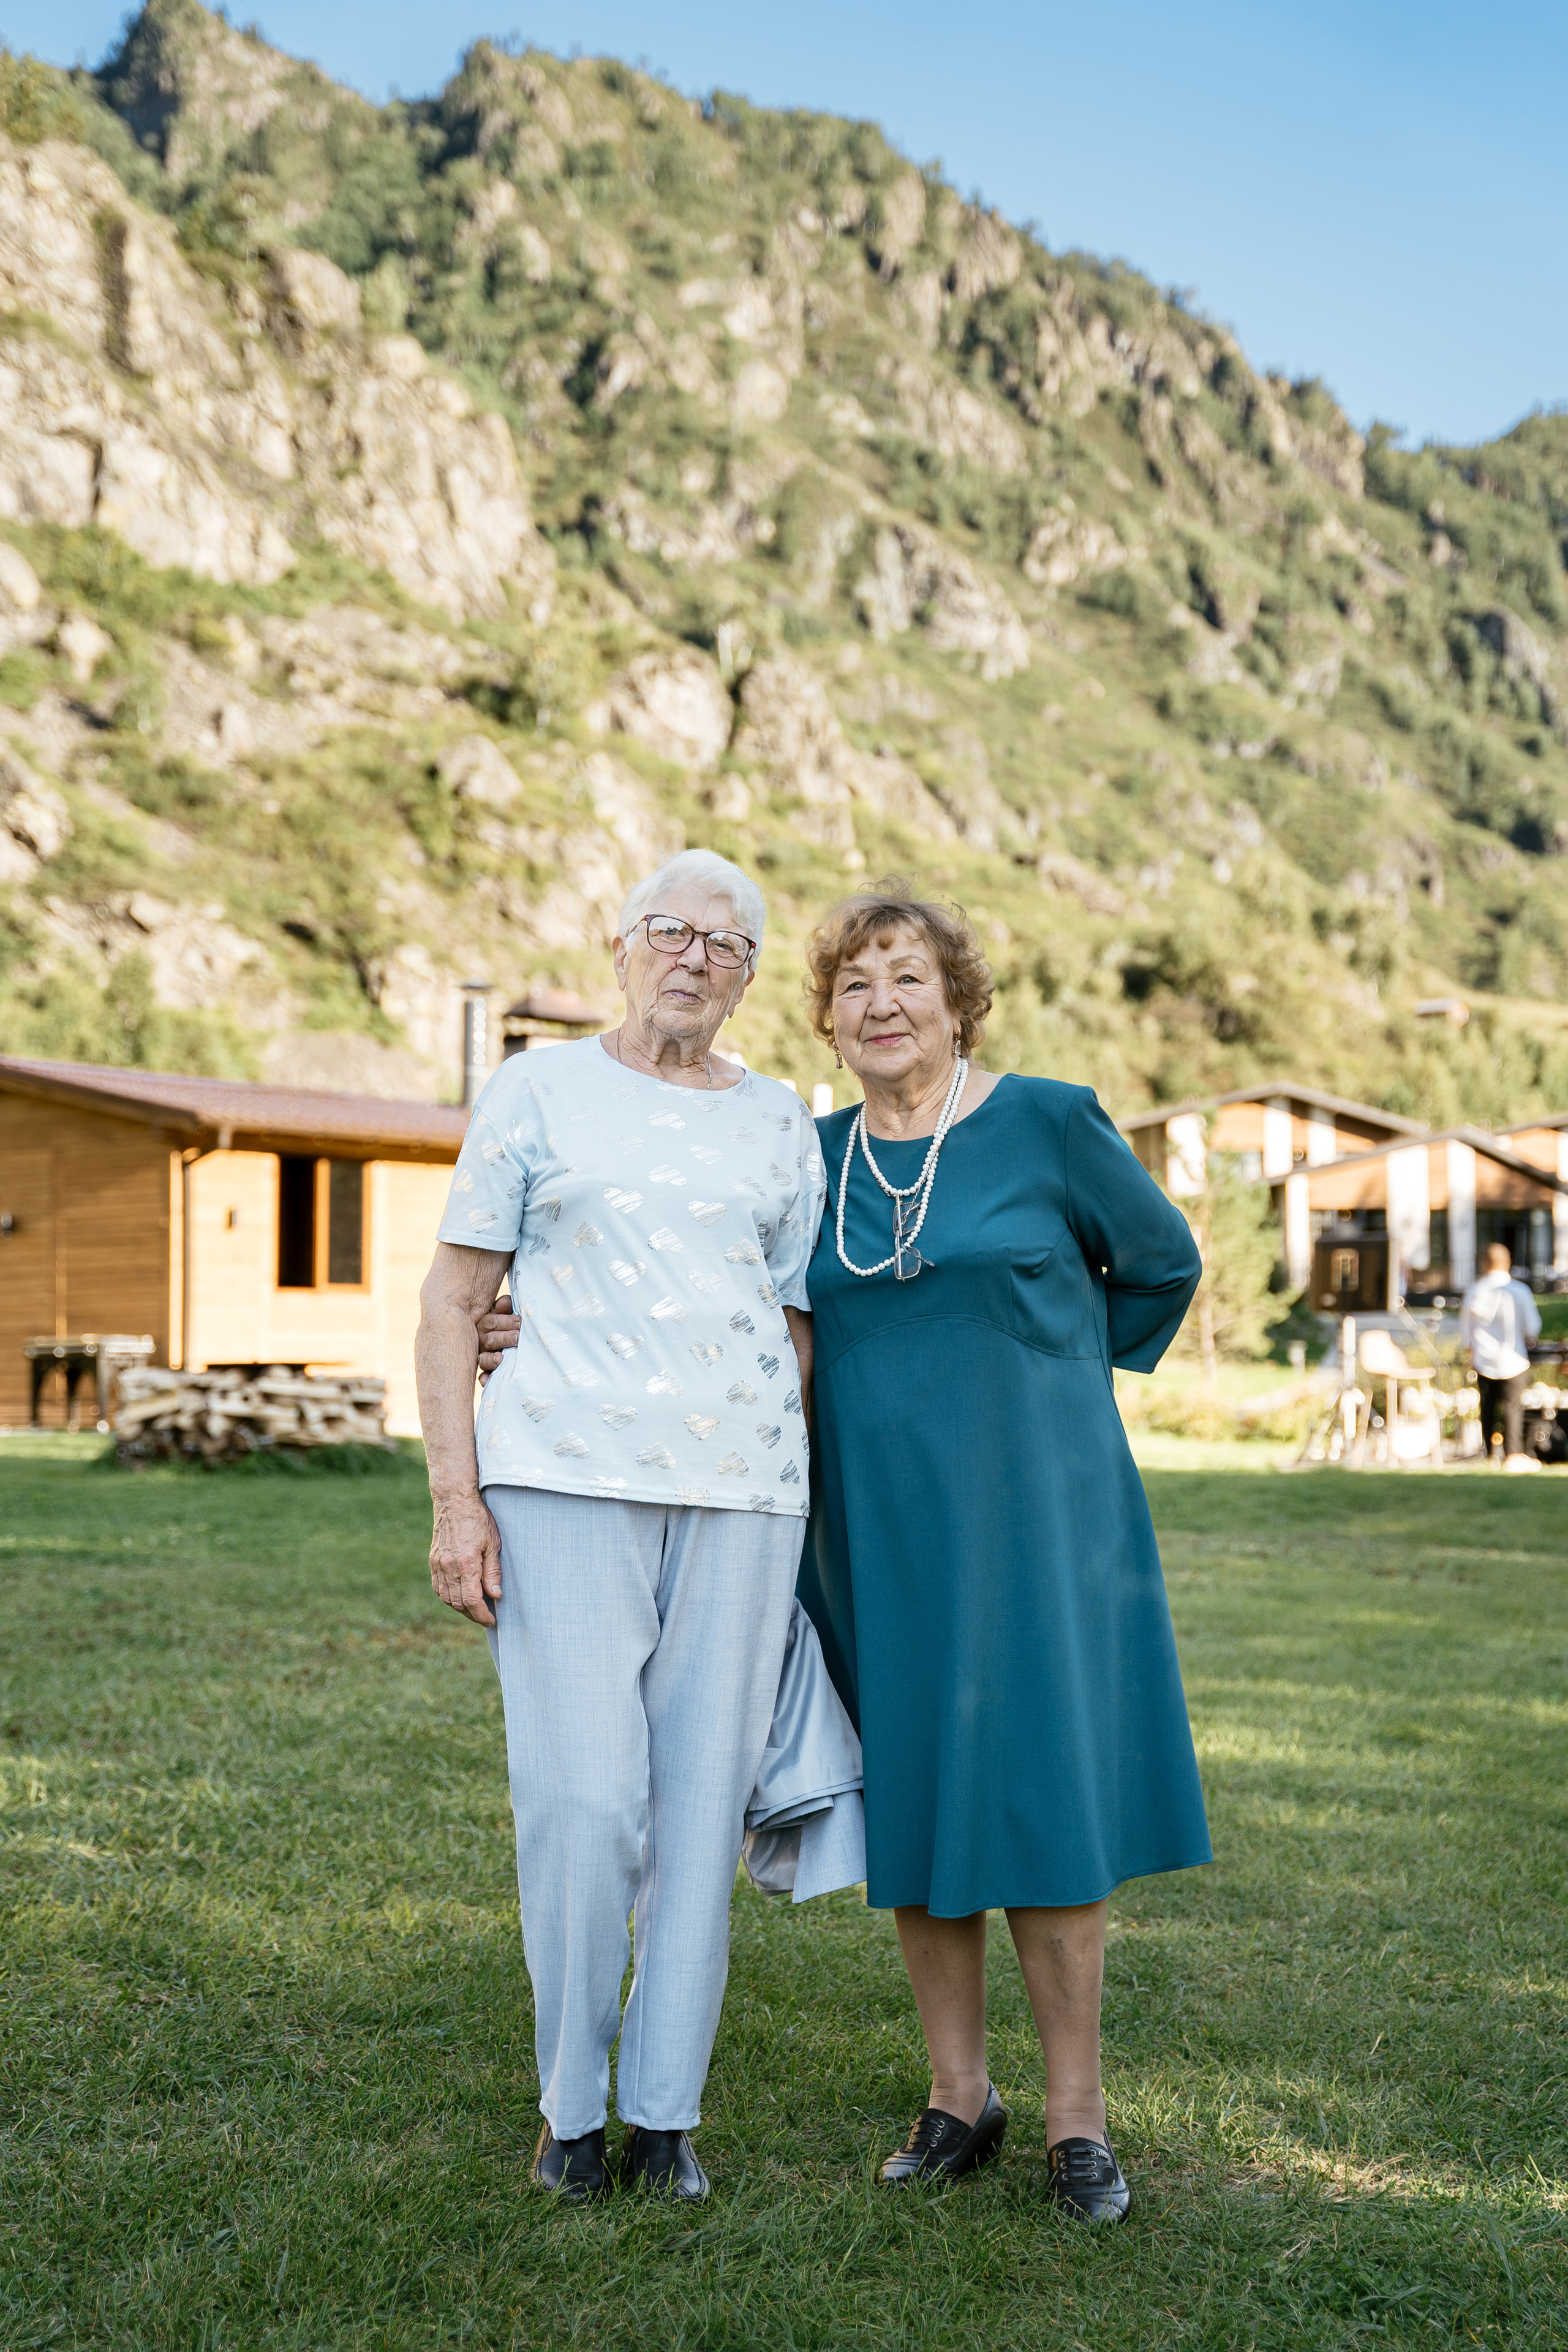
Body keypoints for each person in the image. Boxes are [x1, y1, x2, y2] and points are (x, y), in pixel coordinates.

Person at [794, 880, 1209, 2223]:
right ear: (828, 1017)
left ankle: (1076, 2121)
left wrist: (1056, 1375)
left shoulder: (1044, 1119)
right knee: (913, 1797)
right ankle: (957, 2095)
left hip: (1037, 1518)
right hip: (876, 1527)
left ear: (957, 1000)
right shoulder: (802, 1157)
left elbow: (1158, 1263)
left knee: (1042, 1797)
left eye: (906, 976)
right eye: (854, 983)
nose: (881, 1004)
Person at [415, 849, 826, 2204]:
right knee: (584, 1801)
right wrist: (455, 1499)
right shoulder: (537, 1089)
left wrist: (775, 1447)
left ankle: (663, 2115)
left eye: (727, 943)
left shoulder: (780, 1122)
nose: (695, 958)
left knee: (701, 1809)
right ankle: (567, 2107)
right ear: (619, 946)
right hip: (562, 1480)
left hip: (742, 1499)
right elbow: (449, 1300)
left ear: (751, 977)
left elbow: (794, 1316)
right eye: (671, 930)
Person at [1461, 1243, 1542, 1471]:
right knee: (1513, 1409)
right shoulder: (1520, 1290)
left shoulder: (1475, 1291)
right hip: (1513, 1358)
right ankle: (1513, 1454)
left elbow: (1466, 1332)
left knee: (1487, 1407)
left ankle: (1489, 1452)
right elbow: (1533, 1327)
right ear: (1508, 1263)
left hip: (1484, 1359)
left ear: (1485, 1263)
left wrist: (1471, 1353)